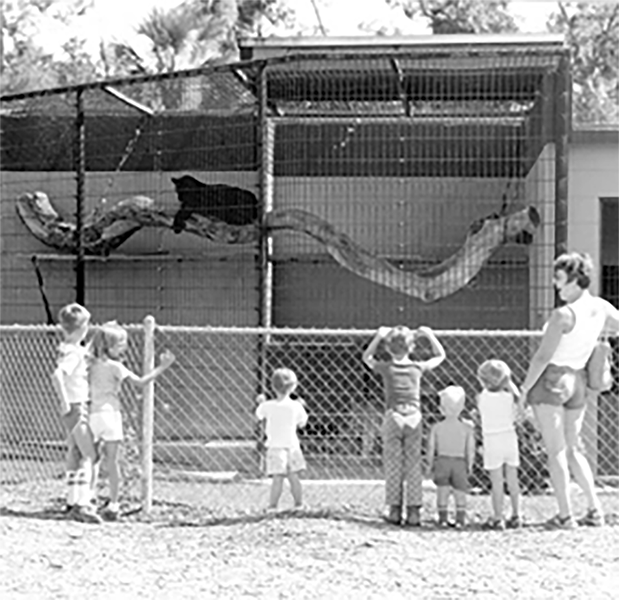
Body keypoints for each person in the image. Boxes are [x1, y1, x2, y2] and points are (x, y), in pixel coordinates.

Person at [520, 251, 619, 529]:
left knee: (557, 451)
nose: (555, 284)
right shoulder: (600, 307)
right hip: (578, 380)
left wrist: (525, 389)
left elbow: (542, 357)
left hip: (553, 379)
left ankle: (565, 515)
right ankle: (594, 509)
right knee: (574, 448)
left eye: (560, 279)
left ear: (575, 280)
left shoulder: (563, 315)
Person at [89, 321, 175, 521]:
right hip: (111, 416)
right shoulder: (116, 367)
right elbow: (141, 382)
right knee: (113, 462)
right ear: (108, 347)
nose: (124, 348)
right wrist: (162, 367)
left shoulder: (91, 365)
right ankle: (114, 503)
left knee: (91, 461)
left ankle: (88, 499)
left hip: (93, 414)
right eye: (120, 345)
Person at [362, 324, 446, 526]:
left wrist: (378, 337)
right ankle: (414, 511)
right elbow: (440, 356)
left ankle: (394, 509)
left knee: (393, 463)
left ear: (389, 348)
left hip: (393, 415)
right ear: (412, 347)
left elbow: (367, 358)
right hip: (414, 416)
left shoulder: (387, 367)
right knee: (413, 464)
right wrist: (430, 335)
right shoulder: (417, 367)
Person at [51, 303, 102, 524]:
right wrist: (65, 401)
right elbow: (57, 375)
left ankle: (72, 499)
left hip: (75, 407)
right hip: (76, 406)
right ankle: (82, 503)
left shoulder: (71, 348)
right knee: (89, 454)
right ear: (81, 328)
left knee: (75, 451)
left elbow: (80, 354)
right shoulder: (73, 353)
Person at [476, 359, 524, 530]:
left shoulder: (481, 397)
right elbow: (518, 398)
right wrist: (508, 382)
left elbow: (485, 392)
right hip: (509, 438)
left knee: (496, 482)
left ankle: (498, 517)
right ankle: (517, 514)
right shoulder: (510, 398)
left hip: (491, 439)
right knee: (513, 479)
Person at [255, 368, 308, 510]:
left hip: (275, 446)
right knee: (294, 477)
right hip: (292, 446)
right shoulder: (296, 406)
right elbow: (302, 423)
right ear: (294, 387)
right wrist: (301, 407)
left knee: (277, 478)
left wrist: (261, 401)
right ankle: (298, 504)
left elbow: (259, 415)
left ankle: (273, 506)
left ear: (273, 387)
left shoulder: (268, 406)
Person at [427, 385, 475, 528]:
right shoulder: (467, 429)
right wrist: (470, 465)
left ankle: (442, 518)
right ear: (462, 408)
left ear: (441, 409)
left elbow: (431, 448)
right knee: (460, 492)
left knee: (442, 491)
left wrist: (429, 464)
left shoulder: (437, 428)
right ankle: (460, 519)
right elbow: (470, 449)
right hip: (459, 462)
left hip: (442, 461)